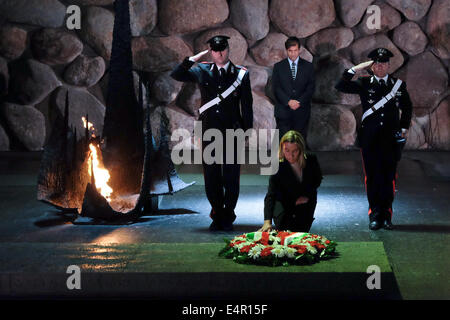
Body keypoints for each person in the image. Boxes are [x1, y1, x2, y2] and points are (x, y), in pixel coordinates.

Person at [170, 35, 253, 231]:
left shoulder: (241, 74)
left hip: (233, 131)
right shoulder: (202, 70)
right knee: (212, 174)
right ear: (212, 52)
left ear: (228, 49)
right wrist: (191, 60)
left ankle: (229, 213)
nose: (220, 53)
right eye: (215, 50)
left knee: (231, 175)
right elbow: (177, 74)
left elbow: (247, 105)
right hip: (209, 130)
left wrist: (246, 131)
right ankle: (217, 212)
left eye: (223, 49)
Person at [335, 48, 412, 230]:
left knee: (388, 177)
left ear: (388, 65)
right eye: (376, 64)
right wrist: (356, 68)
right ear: (372, 66)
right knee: (373, 176)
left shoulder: (397, 85)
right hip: (370, 138)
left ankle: (387, 215)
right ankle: (375, 214)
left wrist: (403, 127)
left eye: (383, 63)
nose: (380, 67)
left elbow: (407, 107)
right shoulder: (364, 83)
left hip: (390, 139)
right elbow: (341, 86)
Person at [259, 130, 322, 232]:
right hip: (284, 205)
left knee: (302, 234)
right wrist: (267, 221)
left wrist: (305, 196)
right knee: (286, 232)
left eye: (295, 151)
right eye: (287, 150)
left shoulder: (311, 160)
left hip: (305, 203)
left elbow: (317, 180)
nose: (290, 155)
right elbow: (271, 194)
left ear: (301, 150)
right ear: (282, 148)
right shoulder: (278, 165)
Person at [272, 36, 315, 141]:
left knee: (299, 142)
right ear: (286, 51)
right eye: (290, 51)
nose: (293, 53)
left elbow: (311, 87)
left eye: (295, 50)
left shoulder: (308, 66)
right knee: (284, 142)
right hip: (283, 110)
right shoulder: (278, 67)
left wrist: (299, 102)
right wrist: (288, 101)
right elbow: (276, 87)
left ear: (299, 50)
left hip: (302, 111)